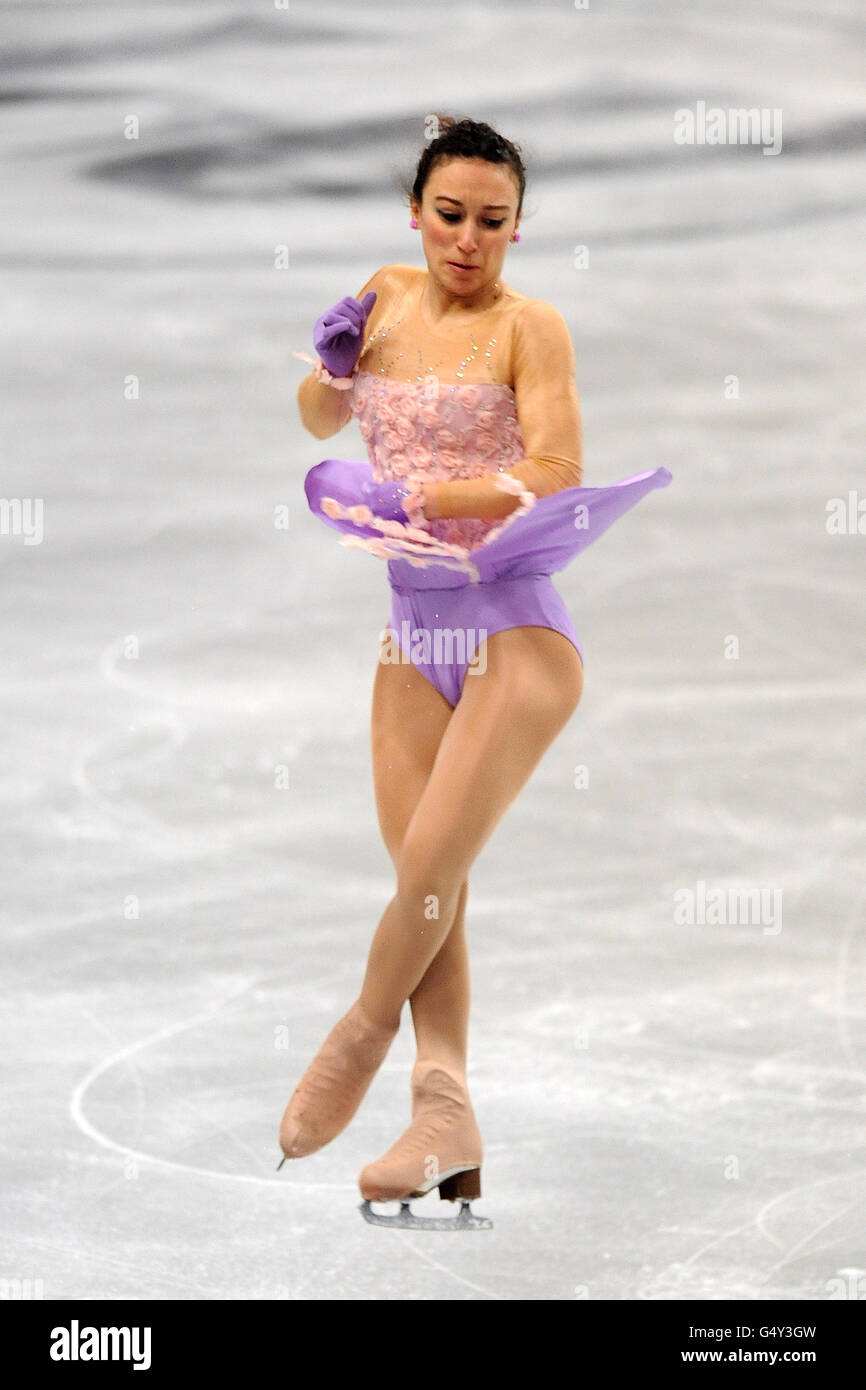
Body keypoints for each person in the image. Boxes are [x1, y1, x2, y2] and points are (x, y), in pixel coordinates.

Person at [279, 116, 671, 1229]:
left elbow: (555, 467)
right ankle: (441, 1110)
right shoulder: (386, 297)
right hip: (414, 635)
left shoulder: (525, 325)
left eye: (491, 222)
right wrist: (332, 364)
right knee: (431, 885)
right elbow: (317, 418)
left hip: (513, 634)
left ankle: (357, 1033)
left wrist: (427, 499)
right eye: (447, 216)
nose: (465, 240)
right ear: (414, 211)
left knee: (423, 878)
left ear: (515, 227)